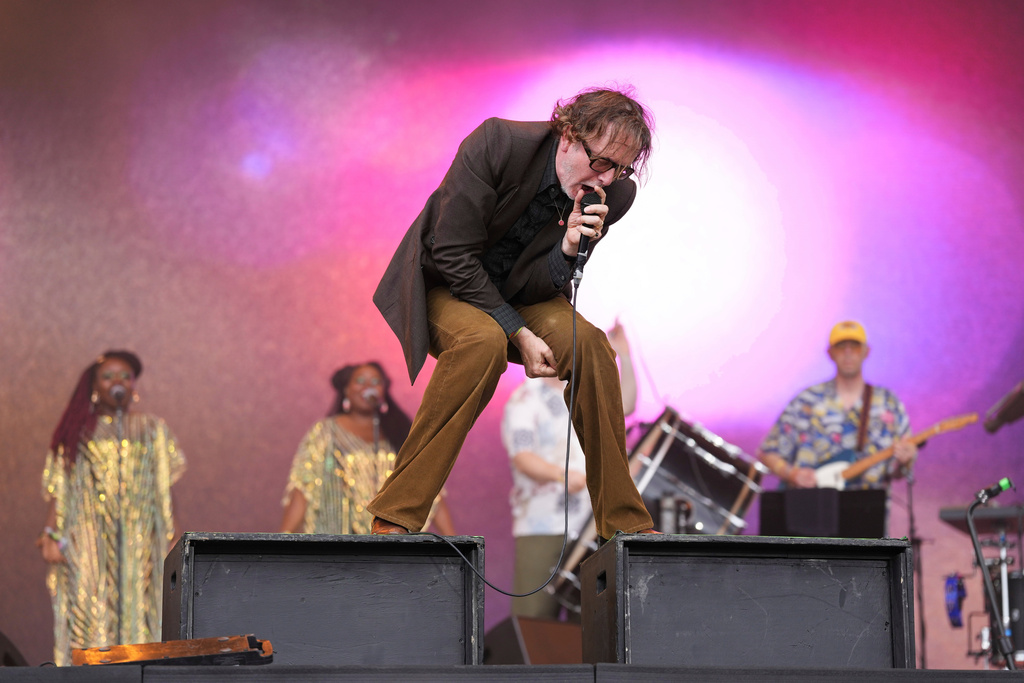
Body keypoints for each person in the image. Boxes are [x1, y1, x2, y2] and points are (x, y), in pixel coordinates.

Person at [368, 86, 656, 540]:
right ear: (567, 135)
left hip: (525, 293)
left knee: (593, 348)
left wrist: (567, 250)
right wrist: (516, 332)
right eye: (600, 162)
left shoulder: (613, 195)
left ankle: (624, 524)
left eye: (621, 168)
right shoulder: (498, 144)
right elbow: (452, 253)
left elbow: (541, 283)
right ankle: (397, 512)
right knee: (482, 343)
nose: (606, 178)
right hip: (449, 282)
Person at [38, 351, 186, 665]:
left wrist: (172, 535)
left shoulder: (152, 428)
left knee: (141, 610)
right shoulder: (77, 430)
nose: (117, 382)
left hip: (140, 539)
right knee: (90, 612)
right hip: (89, 540)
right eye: (108, 376)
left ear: (133, 385)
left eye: (125, 376)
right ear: (94, 385)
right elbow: (61, 488)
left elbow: (164, 489)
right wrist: (51, 532)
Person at [503, 320, 636, 619]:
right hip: (544, 524)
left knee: (591, 622)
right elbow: (522, 456)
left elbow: (624, 405)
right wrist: (562, 476)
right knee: (533, 619)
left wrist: (624, 355)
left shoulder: (581, 389)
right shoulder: (525, 400)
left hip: (590, 525)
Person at [280, 362, 454, 535]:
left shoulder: (401, 433)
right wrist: (282, 541)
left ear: (383, 391)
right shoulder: (325, 432)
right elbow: (303, 487)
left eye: (375, 382)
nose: (367, 386)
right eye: (360, 380)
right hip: (341, 543)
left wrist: (456, 545)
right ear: (346, 390)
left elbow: (428, 489)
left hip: (390, 544)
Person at [757, 321, 917, 491]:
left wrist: (906, 460)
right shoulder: (806, 401)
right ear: (830, 353)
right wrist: (792, 474)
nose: (848, 353)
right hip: (811, 506)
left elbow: (898, 472)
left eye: (854, 347)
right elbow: (767, 452)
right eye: (841, 347)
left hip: (868, 509)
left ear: (866, 351)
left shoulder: (889, 403)